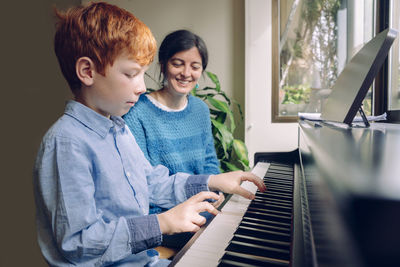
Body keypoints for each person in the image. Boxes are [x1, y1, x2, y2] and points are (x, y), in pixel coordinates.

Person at [32, 2, 266, 267]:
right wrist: (163, 222)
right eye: (132, 74)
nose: (142, 87)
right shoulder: (66, 142)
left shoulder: (117, 129)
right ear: (88, 71)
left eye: (143, 74)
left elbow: (153, 182)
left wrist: (213, 180)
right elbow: (78, 242)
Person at [123, 29, 222, 213]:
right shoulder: (136, 113)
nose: (186, 73)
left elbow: (210, 163)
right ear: (163, 65)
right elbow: (143, 183)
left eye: (195, 66)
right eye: (177, 64)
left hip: (202, 206)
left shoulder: (200, 110)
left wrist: (214, 191)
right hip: (164, 216)